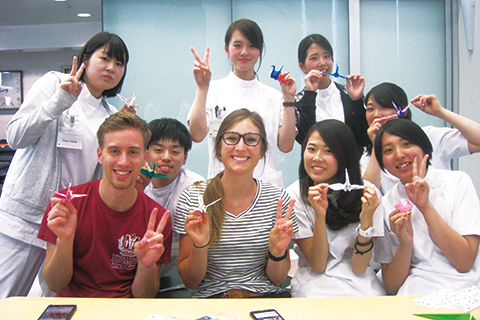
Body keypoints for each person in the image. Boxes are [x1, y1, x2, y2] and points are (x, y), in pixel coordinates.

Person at [0, 32, 131, 299]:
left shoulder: (109, 115)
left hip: (66, 225)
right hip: (28, 217)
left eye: (119, 64)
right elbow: (15, 137)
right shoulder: (55, 83)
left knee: (54, 306)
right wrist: (58, 102)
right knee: (7, 300)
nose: (111, 68)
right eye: (104, 58)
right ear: (86, 58)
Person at [37, 112, 173, 297]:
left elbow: (144, 297)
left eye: (133, 152)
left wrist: (145, 265)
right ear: (100, 155)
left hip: (125, 312)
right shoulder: (64, 206)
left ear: (144, 158)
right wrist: (65, 241)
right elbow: (55, 285)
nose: (123, 161)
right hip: (74, 309)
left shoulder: (157, 219)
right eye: (114, 151)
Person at [174, 109, 298, 298]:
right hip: (212, 302)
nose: (241, 147)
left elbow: (278, 279)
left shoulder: (278, 200)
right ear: (218, 147)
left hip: (265, 301)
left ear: (262, 149)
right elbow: (190, 282)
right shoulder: (194, 198)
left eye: (251, 139)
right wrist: (200, 246)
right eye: (232, 138)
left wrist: (277, 251)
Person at [373, 119, 480, 295]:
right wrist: (405, 244)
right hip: (413, 292)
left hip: (464, 289)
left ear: (424, 147)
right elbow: (392, 285)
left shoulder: (457, 182)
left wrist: (425, 206)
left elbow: (464, 262)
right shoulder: (386, 203)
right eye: (388, 150)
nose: (399, 155)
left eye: (406, 144)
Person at [188, 18, 296, 187]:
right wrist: (202, 88)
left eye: (252, 46)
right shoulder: (212, 90)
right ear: (226, 49)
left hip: (265, 188)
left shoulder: (274, 97)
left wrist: (289, 99)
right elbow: (196, 134)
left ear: (260, 50)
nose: (244, 52)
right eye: (237, 45)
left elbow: (286, 145)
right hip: (222, 188)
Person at [287, 120, 385, 298]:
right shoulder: (295, 195)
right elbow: (318, 264)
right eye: (311, 149)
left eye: (328, 151)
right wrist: (319, 214)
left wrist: (366, 222)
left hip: (361, 283)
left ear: (344, 155)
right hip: (315, 283)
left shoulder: (368, 195)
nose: (317, 157)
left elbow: (359, 266)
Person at [361, 82, 480, 195]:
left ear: (403, 111)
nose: (377, 114)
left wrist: (441, 112)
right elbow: (369, 196)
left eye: (384, 107)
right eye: (370, 109)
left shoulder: (430, 136)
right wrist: (376, 145)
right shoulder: (368, 158)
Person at [136, 118, 204, 278]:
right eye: (158, 150)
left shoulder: (195, 188)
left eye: (175, 152)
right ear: (146, 154)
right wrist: (136, 194)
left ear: (185, 158)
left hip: (180, 273)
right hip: (141, 268)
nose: (166, 157)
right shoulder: (135, 182)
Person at [294, 34, 369, 151]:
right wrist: (310, 94)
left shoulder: (348, 93)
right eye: (314, 58)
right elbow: (304, 139)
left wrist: (357, 100)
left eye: (327, 56)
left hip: (350, 167)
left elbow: (363, 139)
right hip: (316, 165)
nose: (322, 63)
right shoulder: (298, 101)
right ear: (303, 67)